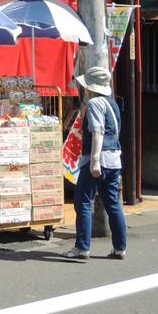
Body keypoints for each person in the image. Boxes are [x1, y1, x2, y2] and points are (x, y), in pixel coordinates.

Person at [65, 66, 127, 260]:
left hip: (98, 158)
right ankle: (120, 248)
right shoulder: (112, 103)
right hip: (114, 159)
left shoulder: (94, 104)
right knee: (113, 204)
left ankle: (82, 247)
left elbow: (97, 132)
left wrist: (94, 162)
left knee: (83, 201)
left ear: (90, 87)